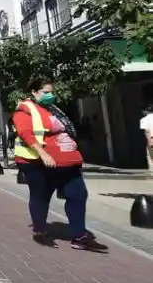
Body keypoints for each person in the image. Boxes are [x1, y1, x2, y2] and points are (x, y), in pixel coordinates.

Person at [12, 78, 107, 252]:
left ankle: (80, 236)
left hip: (66, 161)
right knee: (41, 195)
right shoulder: (25, 109)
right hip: (37, 162)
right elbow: (26, 133)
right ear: (34, 92)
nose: (50, 95)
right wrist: (43, 153)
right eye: (45, 92)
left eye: (51, 92)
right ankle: (40, 230)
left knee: (78, 194)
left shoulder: (53, 110)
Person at [139, 106, 153, 171]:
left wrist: (150, 142)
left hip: (151, 139)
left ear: (145, 111)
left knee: (151, 158)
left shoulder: (143, 120)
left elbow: (147, 132)